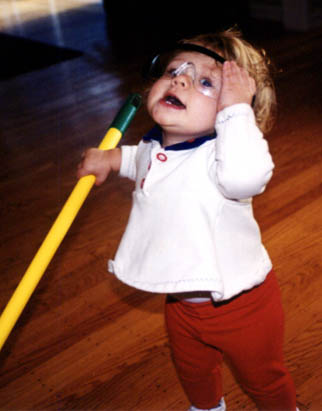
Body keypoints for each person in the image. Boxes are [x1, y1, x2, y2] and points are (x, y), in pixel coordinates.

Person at [77, 28, 297, 410]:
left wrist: (237, 112)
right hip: (180, 300)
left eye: (206, 82)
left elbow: (246, 176)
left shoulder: (224, 159)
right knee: (194, 373)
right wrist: (111, 159)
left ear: (231, 111)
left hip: (242, 306)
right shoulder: (153, 145)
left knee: (262, 379)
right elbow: (139, 159)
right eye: (174, 70)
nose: (180, 80)